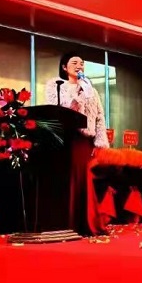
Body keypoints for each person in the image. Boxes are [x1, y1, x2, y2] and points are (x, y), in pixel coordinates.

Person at [45, 52, 110, 235]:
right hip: (65, 138)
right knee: (68, 178)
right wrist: (79, 96)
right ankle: (66, 221)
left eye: (82, 63)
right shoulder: (56, 86)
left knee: (84, 177)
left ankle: (85, 222)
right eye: (74, 62)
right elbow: (57, 109)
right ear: (64, 67)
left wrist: (100, 141)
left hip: (84, 140)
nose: (79, 66)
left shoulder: (91, 89)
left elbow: (99, 116)